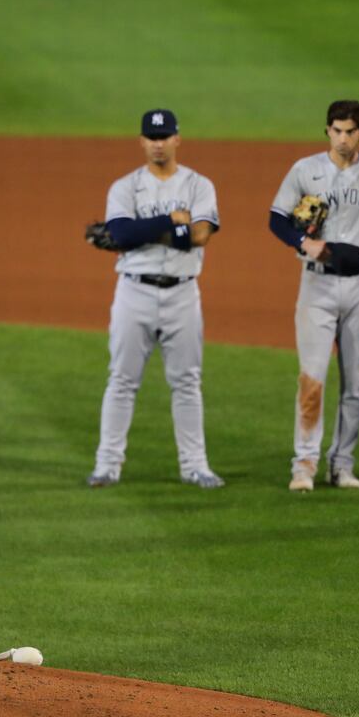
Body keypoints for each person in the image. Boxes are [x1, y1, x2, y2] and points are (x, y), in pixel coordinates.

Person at [268, 100, 359, 492]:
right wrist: (302, 242)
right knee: (312, 378)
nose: (343, 138)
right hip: (318, 284)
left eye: (351, 131)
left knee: (356, 382)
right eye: (337, 130)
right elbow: (276, 218)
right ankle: (305, 464)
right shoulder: (306, 169)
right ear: (327, 130)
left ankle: (342, 464)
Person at [87, 109, 224, 488]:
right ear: (142, 141)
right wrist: (169, 222)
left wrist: (143, 231)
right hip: (134, 292)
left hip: (183, 294)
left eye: (165, 137)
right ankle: (107, 465)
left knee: (187, 382)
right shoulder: (124, 187)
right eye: (152, 136)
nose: (158, 143)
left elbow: (198, 236)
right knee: (121, 380)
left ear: (178, 139)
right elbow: (119, 234)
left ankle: (195, 466)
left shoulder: (199, 185)